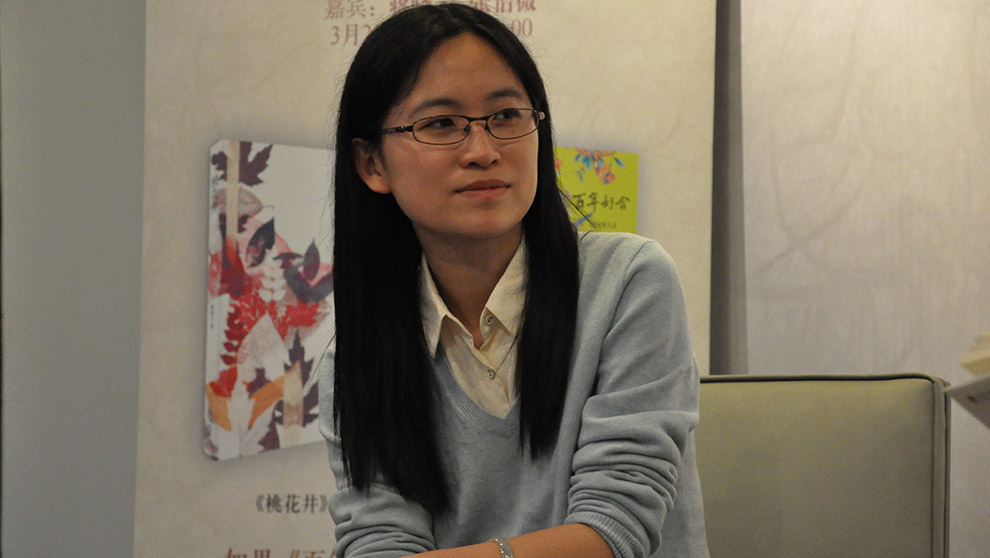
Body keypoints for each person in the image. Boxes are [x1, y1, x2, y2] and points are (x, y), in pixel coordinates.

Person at [319, 4, 709, 558]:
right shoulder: (359, 359)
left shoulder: (629, 282)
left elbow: (616, 530)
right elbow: (378, 543)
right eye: (441, 124)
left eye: (505, 116)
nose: (483, 152)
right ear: (371, 164)